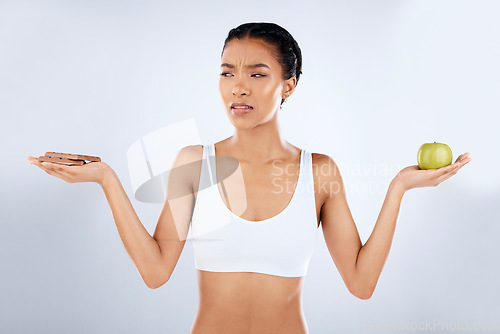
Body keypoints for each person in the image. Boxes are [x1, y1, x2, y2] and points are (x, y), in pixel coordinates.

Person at [27, 22, 472, 334]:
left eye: (257, 74)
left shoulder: (320, 172)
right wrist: (106, 178)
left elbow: (360, 283)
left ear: (289, 85)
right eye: (227, 73)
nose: (237, 87)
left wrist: (398, 188)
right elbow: (155, 271)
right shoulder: (193, 164)